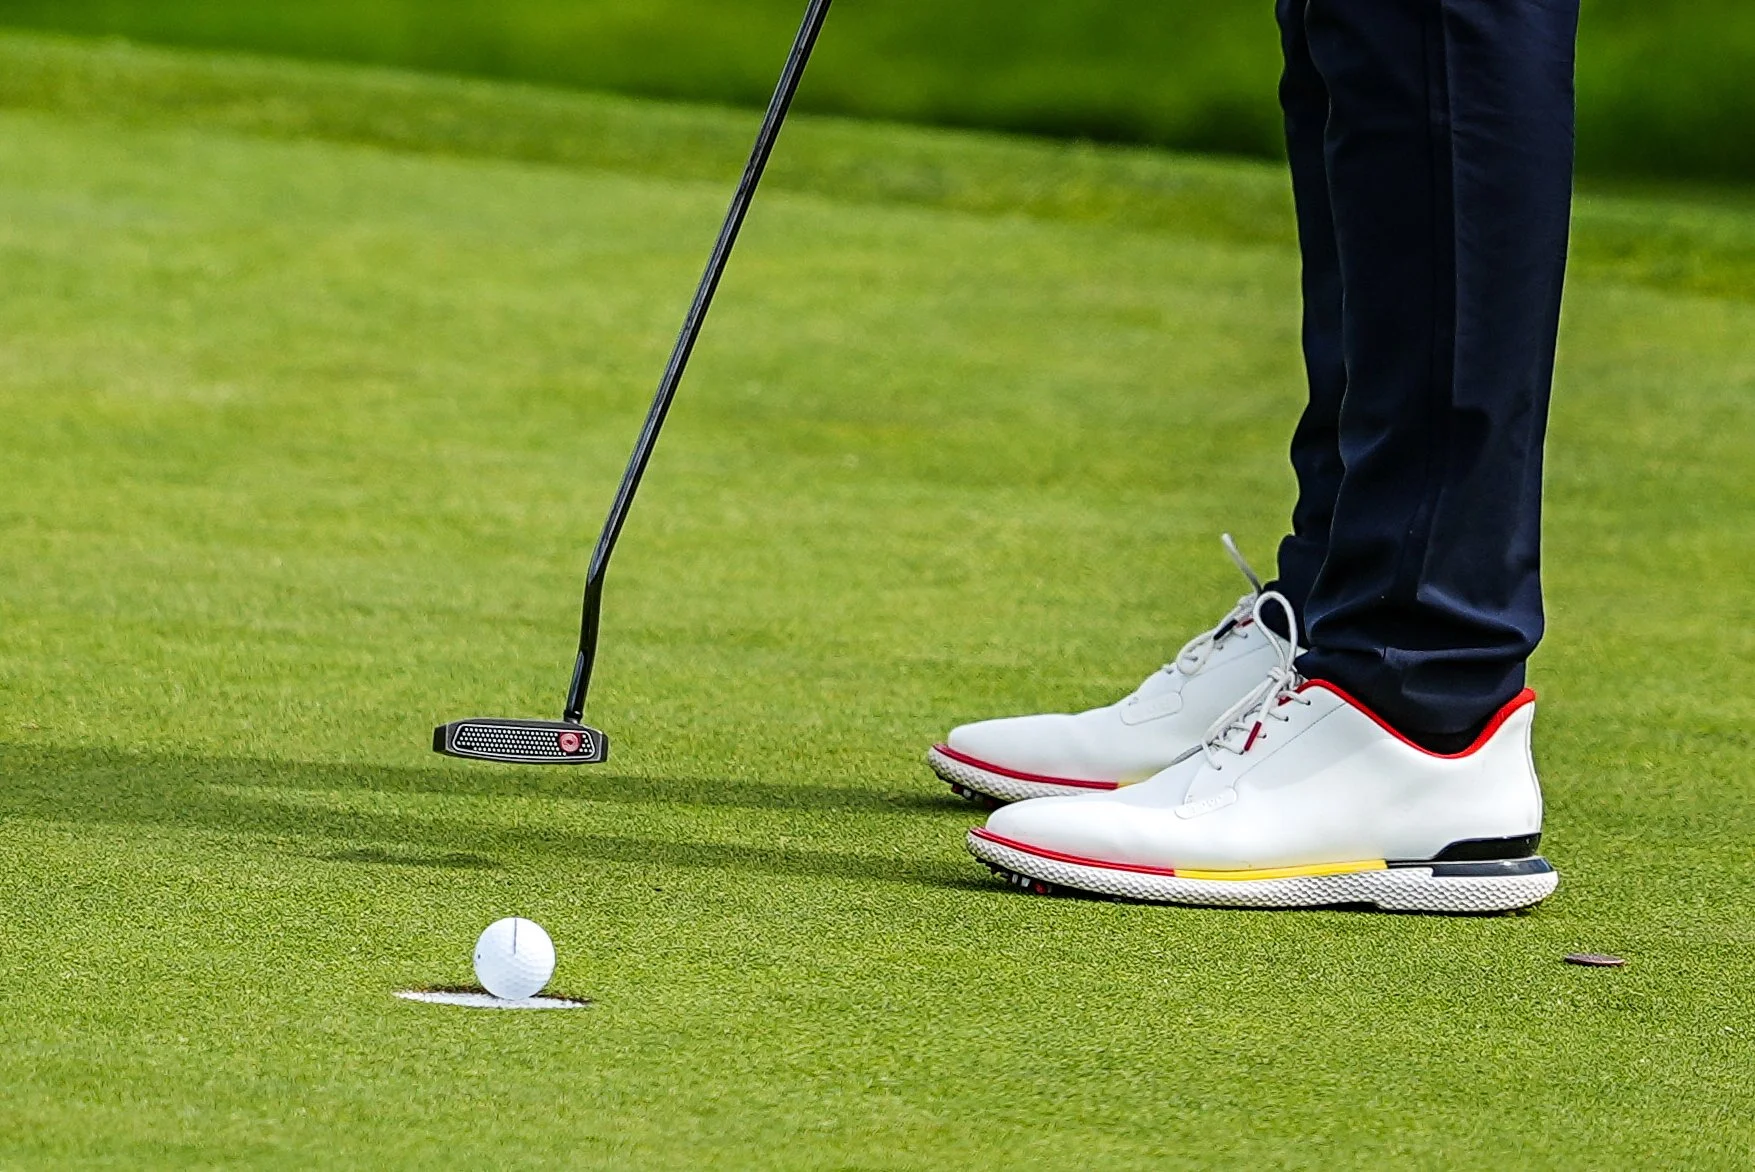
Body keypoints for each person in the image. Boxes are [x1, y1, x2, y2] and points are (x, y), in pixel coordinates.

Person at [929, 0, 1580, 912]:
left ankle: (1414, 695)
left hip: (1413, 709)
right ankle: (1330, 619)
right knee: (1353, 29)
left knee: (1434, 25)